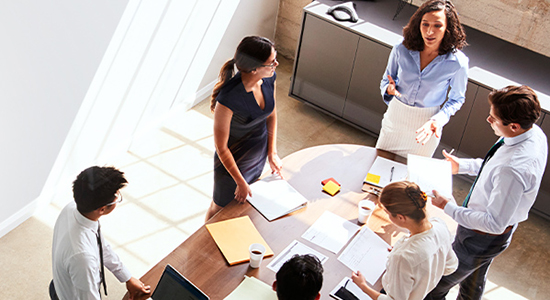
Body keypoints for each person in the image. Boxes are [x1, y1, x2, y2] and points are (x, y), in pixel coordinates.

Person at [425, 85, 547, 300]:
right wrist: (461, 166)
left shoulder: (513, 169)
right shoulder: (533, 133)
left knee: (435, 285)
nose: (488, 120)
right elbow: (494, 168)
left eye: (494, 119)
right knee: (474, 278)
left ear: (515, 126)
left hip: (481, 237)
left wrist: (448, 207)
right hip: (485, 234)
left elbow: (494, 223)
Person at [376, 0, 468, 157]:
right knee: (376, 172)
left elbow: (457, 99)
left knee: (410, 179)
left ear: (448, 28)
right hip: (395, 118)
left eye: (437, 25)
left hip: (426, 126)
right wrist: (389, 89)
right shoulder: (401, 48)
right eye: (425, 24)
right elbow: (386, 80)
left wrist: (437, 121)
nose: (429, 32)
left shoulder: (457, 63)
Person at [205, 36, 282, 220]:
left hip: (257, 155)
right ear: (254, 68)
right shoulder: (228, 99)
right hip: (232, 164)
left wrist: (272, 152)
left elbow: (271, 115)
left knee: (244, 207)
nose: (276, 64)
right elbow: (221, 148)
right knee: (219, 208)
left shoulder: (270, 78)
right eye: (271, 62)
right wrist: (239, 181)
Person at [51, 166, 151, 300]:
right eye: (116, 197)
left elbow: (100, 245)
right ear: (102, 209)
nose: (117, 197)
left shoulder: (73, 208)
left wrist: (127, 277)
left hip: (61, 283)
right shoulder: (82, 258)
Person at [352, 181, 458, 300]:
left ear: (401, 217)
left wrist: (363, 286)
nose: (388, 217)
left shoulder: (403, 258)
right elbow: (451, 266)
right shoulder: (439, 225)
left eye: (387, 213)